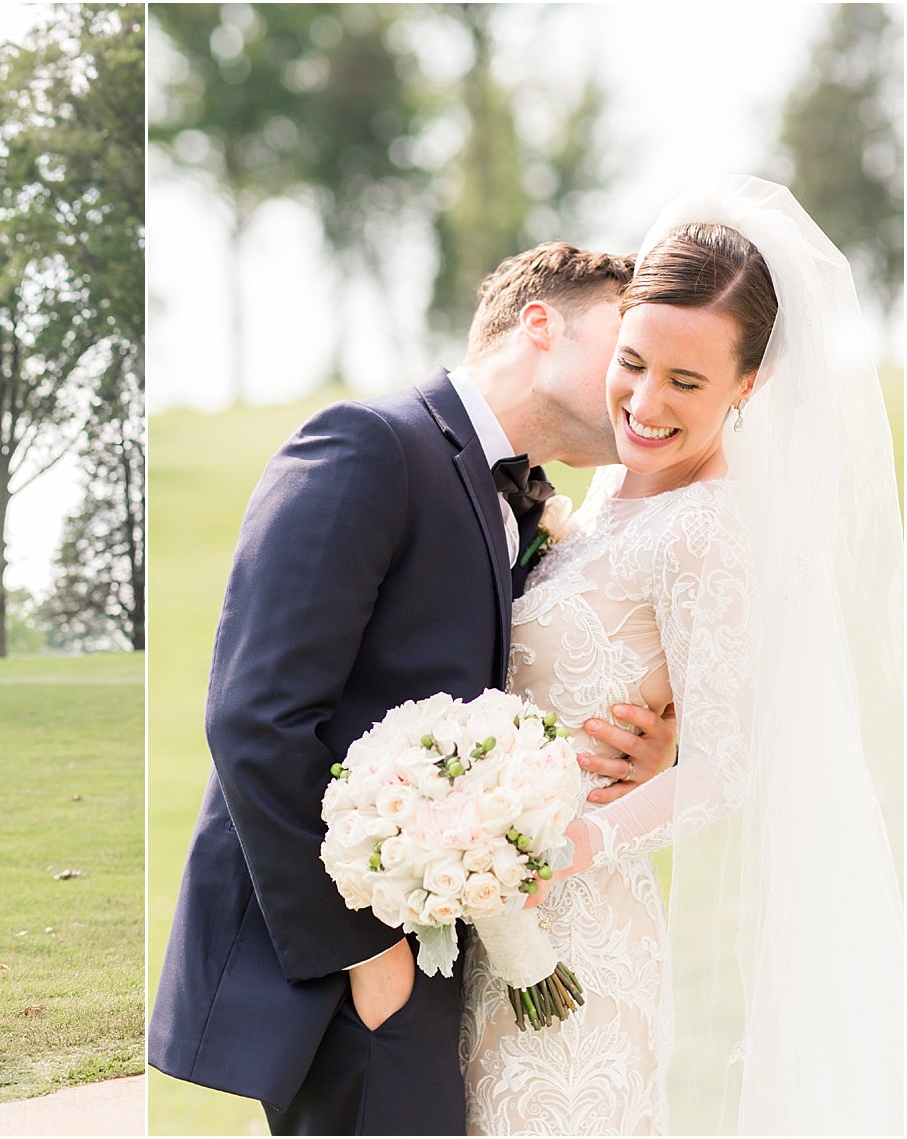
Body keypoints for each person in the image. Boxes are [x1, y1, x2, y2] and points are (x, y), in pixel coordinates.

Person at [150, 243, 681, 1134]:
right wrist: (367, 953)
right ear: (540, 325)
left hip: (465, 946)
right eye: (626, 353)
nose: (641, 390)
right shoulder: (369, 444)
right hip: (361, 961)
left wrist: (642, 740)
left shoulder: (528, 500)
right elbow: (256, 716)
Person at [461, 176, 903, 1135]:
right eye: (632, 361)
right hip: (489, 912)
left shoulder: (710, 529)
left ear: (753, 385)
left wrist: (559, 848)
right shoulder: (607, 487)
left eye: (687, 383)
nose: (644, 404)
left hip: (575, 937)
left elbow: (721, 772)